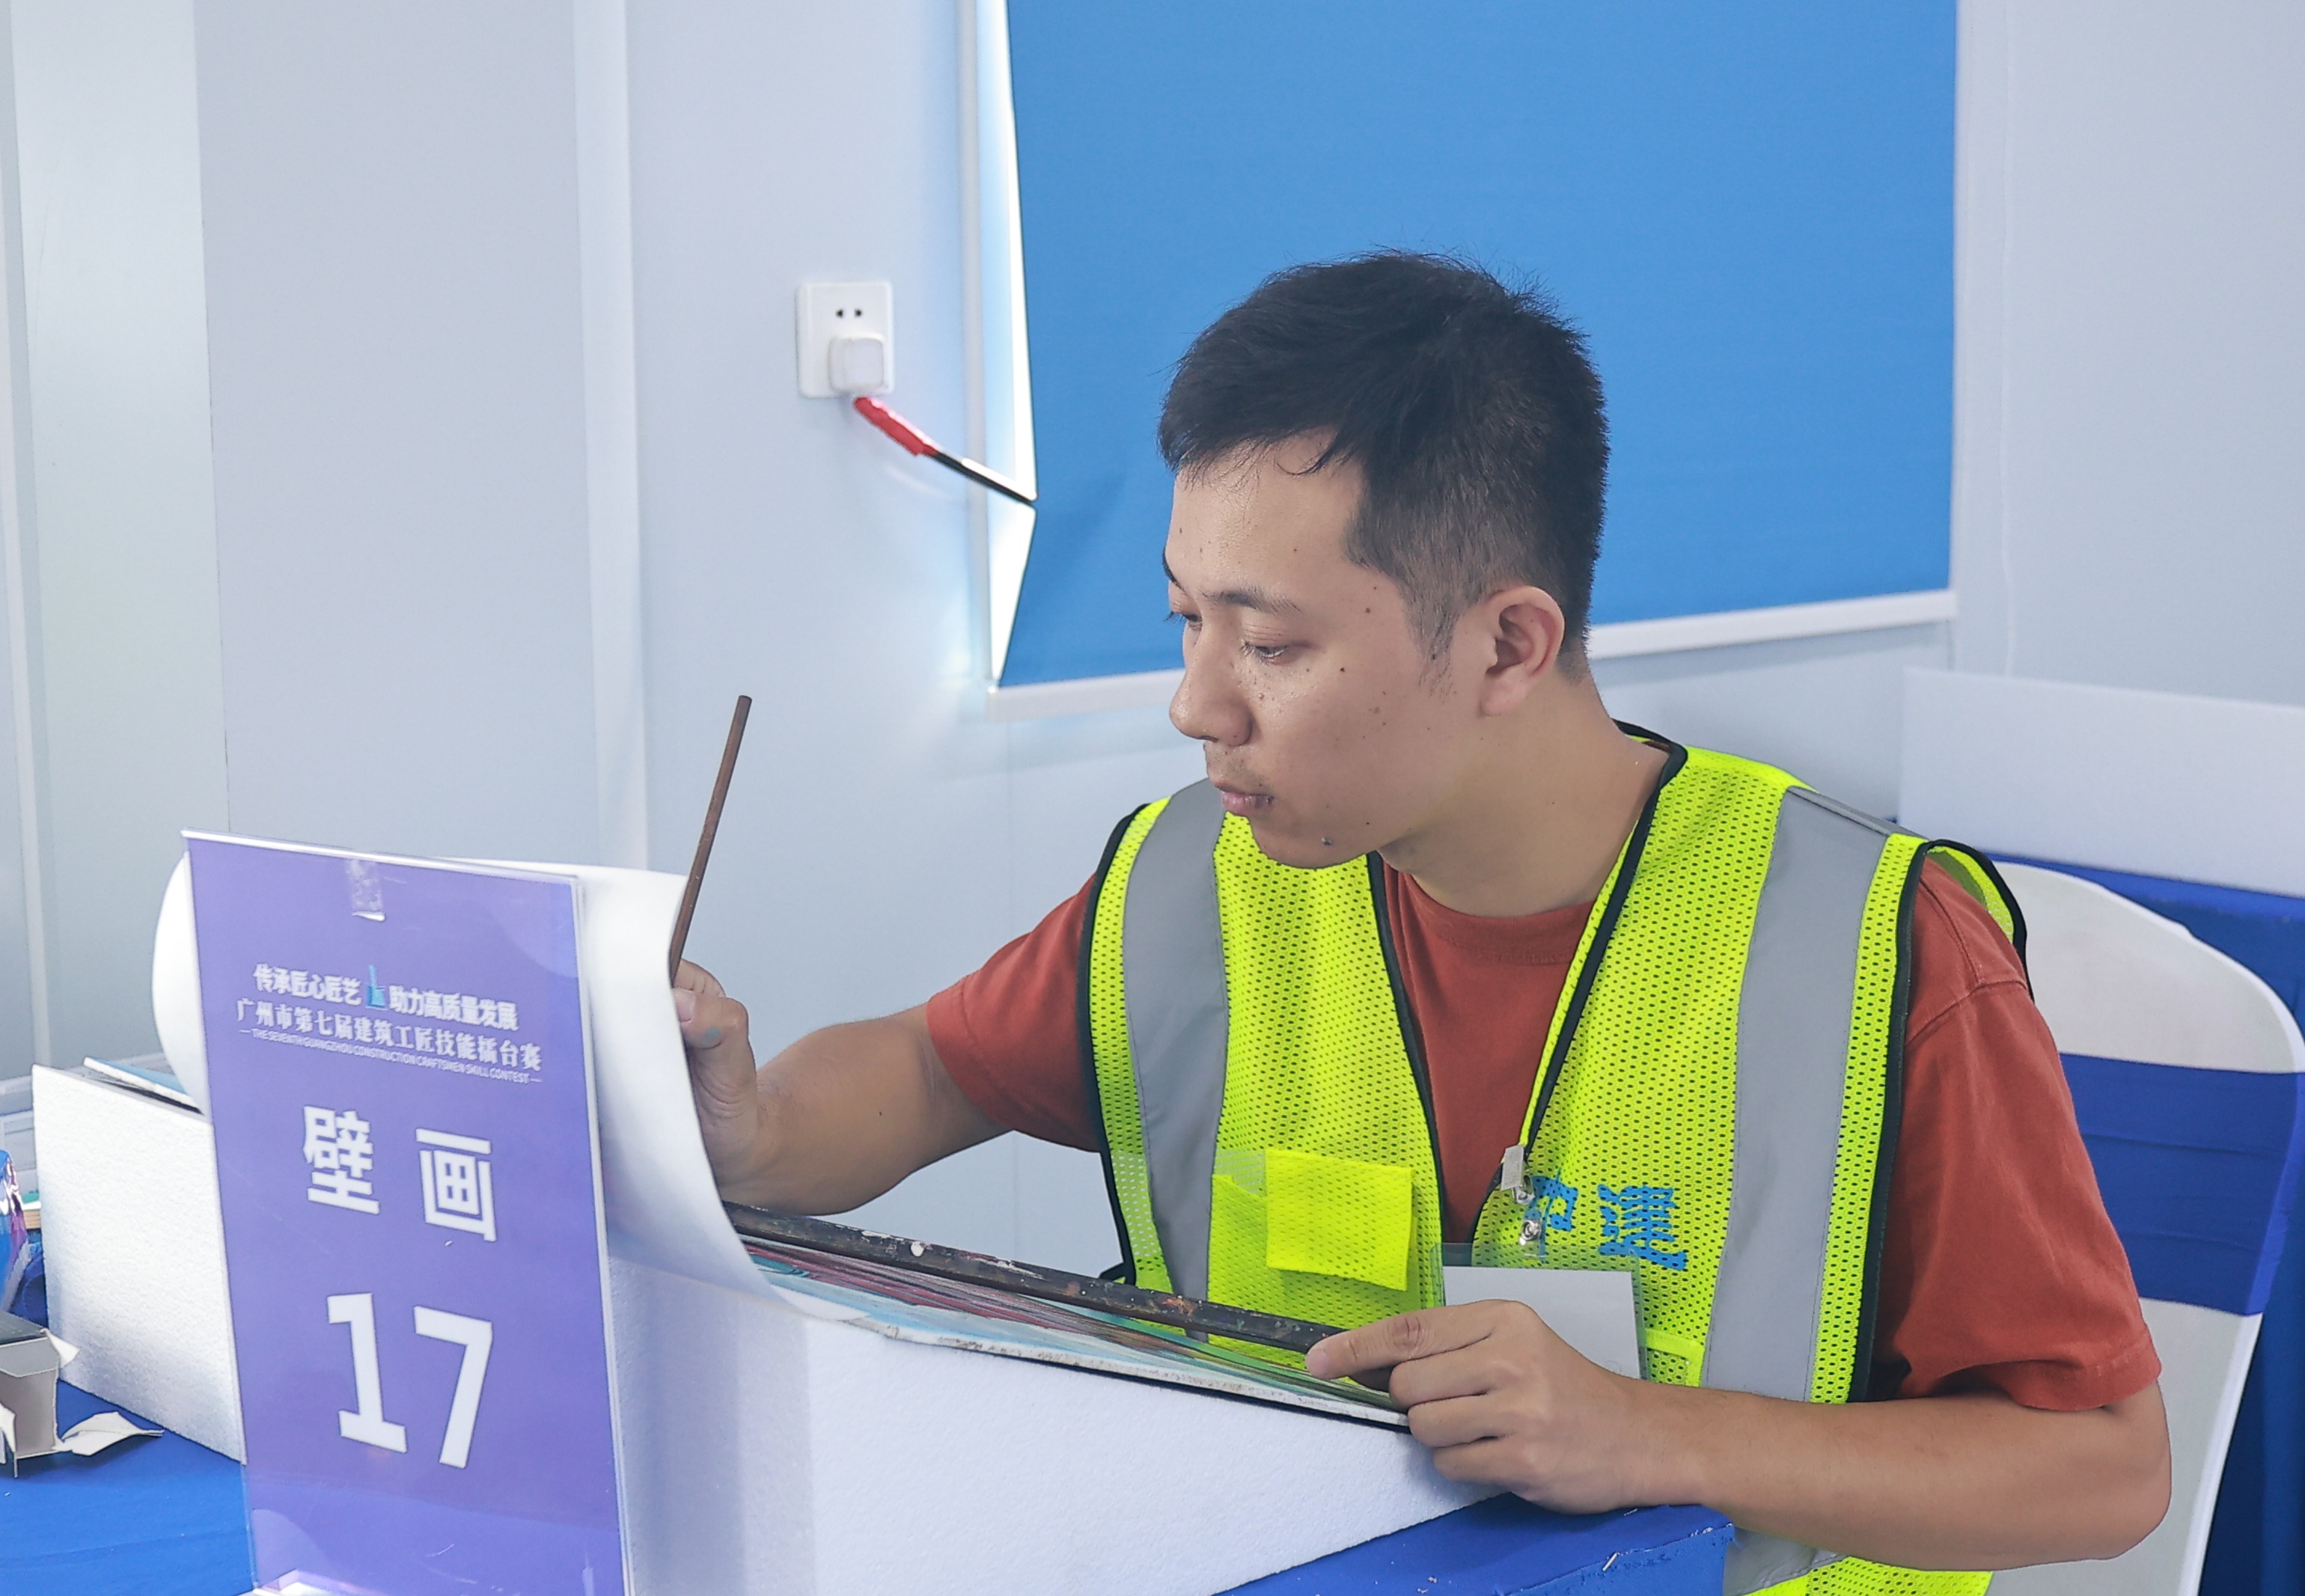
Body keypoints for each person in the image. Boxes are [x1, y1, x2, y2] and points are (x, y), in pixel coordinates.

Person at [676, 253, 2169, 1595]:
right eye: (1187, 620)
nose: (1196, 703)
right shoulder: (1197, 889)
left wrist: (1648, 1431)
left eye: (1272, 643)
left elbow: (2105, 1468)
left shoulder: (1868, 950)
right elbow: (927, 1069)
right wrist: (745, 1127)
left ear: (1508, 643)